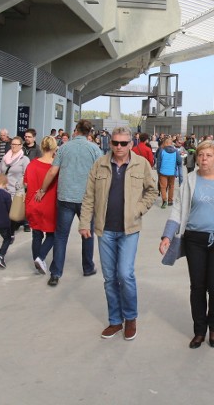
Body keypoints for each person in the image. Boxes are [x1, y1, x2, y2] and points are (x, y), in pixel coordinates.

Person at [159, 139, 214, 349]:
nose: (203, 159)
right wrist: (167, 236)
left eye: (208, 155)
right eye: (200, 155)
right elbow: (178, 209)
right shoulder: (189, 180)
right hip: (195, 240)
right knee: (197, 287)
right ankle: (199, 331)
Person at [79, 127, 157, 341]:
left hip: (129, 229)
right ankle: (115, 320)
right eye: (115, 143)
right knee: (109, 277)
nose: (119, 147)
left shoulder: (141, 164)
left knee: (125, 273)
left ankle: (130, 317)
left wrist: (138, 209)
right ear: (110, 143)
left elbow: (152, 191)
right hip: (105, 230)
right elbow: (89, 196)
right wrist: (84, 222)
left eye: (124, 143)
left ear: (131, 143)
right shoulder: (100, 164)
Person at [36, 120, 102, 287]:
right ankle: (88, 266)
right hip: (87, 199)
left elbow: (53, 171)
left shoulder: (64, 147)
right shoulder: (95, 149)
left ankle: (56, 273)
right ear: (89, 133)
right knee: (87, 233)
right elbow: (101, 174)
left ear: (76, 131)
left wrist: (42, 189)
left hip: (65, 197)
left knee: (61, 236)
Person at [24, 136, 58, 275]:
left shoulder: (32, 164)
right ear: (55, 148)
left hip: (33, 203)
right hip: (50, 204)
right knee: (53, 234)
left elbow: (26, 183)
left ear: (42, 147)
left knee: (36, 235)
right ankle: (41, 257)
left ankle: (36, 260)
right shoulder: (56, 166)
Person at [0, 136, 30, 234]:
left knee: (11, 213)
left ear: (21, 146)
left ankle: (9, 233)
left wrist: (19, 185)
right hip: (2, 189)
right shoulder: (5, 157)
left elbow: (26, 174)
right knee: (2, 212)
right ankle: (6, 230)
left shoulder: (24, 159)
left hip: (15, 191)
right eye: (12, 144)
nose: (14, 146)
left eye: (16, 144)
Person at [157, 136, 182, 209]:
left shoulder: (162, 151)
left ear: (165, 143)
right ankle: (170, 201)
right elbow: (179, 161)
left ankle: (164, 200)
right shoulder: (175, 151)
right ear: (171, 143)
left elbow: (158, 162)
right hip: (172, 172)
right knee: (171, 186)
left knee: (163, 187)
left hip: (163, 172)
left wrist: (158, 171)